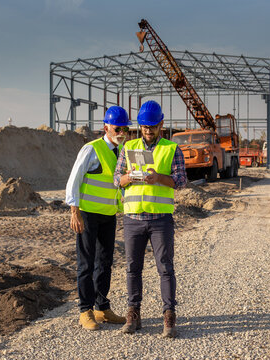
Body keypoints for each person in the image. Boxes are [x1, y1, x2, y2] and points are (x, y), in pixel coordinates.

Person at [113, 100, 187, 338]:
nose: (147, 130)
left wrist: (159, 178)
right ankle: (133, 313)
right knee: (133, 269)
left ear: (161, 124)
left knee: (165, 268)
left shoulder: (171, 148)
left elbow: (181, 180)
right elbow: (117, 180)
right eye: (144, 126)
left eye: (152, 126)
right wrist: (129, 177)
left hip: (160, 220)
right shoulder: (129, 147)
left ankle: (169, 315)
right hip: (133, 218)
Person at [65, 106, 130, 331]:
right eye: (117, 128)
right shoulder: (91, 149)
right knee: (86, 264)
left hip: (108, 215)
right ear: (106, 128)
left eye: (125, 128)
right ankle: (85, 311)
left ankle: (102, 307)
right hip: (88, 215)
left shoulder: (123, 151)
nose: (121, 132)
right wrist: (75, 212)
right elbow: (74, 179)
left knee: (105, 263)